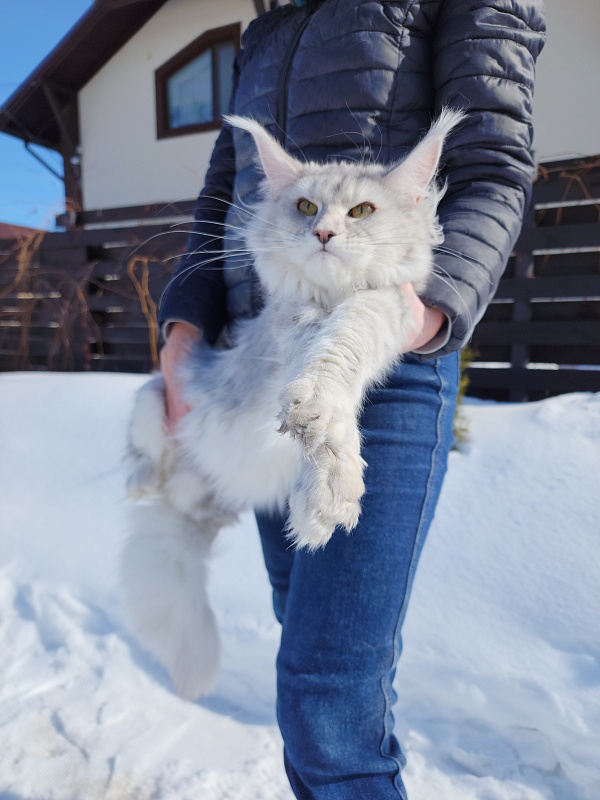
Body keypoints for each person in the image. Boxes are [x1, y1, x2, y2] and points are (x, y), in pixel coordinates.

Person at [157, 1, 546, 797]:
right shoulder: (264, 30)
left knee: (325, 698)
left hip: (387, 359)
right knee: (307, 651)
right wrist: (184, 324)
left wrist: (426, 310)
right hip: (261, 368)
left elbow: (493, 163)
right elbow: (228, 198)